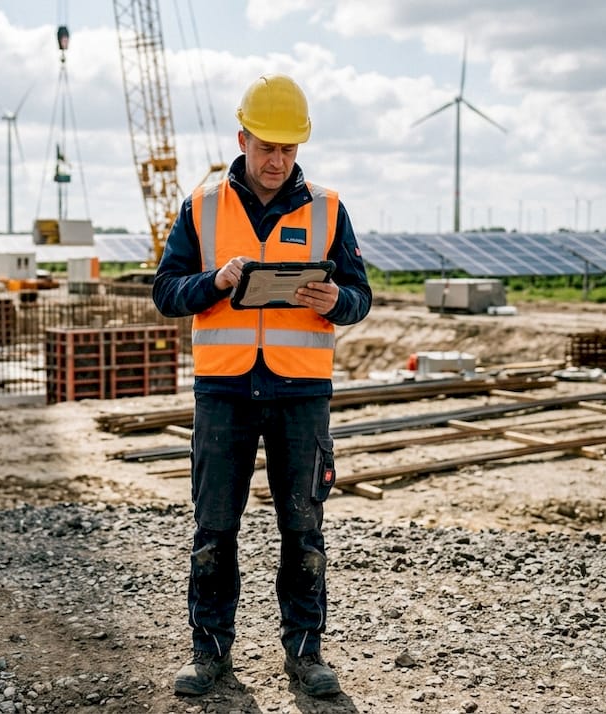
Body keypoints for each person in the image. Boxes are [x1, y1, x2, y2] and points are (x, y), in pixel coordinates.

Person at [152, 74, 372, 698]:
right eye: (266, 146)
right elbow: (166, 291)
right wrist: (214, 283)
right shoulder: (201, 206)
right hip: (223, 391)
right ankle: (209, 655)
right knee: (214, 527)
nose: (277, 161)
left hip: (301, 393)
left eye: (289, 149)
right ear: (242, 138)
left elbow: (361, 296)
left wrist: (337, 300)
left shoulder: (328, 208)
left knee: (303, 527)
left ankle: (305, 656)